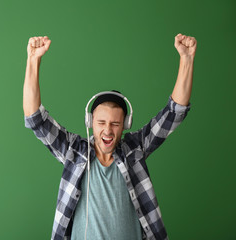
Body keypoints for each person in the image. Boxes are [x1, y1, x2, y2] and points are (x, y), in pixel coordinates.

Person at [23, 34, 196, 240]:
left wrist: (187, 59)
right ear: (90, 122)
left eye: (115, 124)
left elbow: (174, 113)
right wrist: (33, 60)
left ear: (125, 125)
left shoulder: (135, 149)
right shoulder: (74, 152)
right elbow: (35, 119)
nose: (107, 131)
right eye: (101, 123)